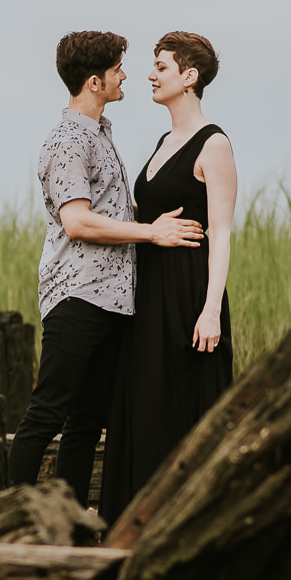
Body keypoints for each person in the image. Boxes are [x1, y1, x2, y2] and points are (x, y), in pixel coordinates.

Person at [8, 30, 205, 509]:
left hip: (113, 301)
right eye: (118, 68)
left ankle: (73, 528)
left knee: (87, 421)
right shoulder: (69, 139)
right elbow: (77, 221)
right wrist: (152, 232)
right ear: (95, 81)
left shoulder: (101, 133)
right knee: (48, 412)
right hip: (77, 295)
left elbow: (114, 210)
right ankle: (1, 518)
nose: (125, 75)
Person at [100, 31, 236, 521]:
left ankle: (187, 524)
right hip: (148, 291)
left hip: (187, 292)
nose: (151, 75)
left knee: (182, 403)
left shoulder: (214, 143)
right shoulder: (163, 141)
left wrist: (210, 312)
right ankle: (135, 525)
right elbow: (150, 217)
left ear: (189, 77)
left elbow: (220, 234)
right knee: (146, 403)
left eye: (161, 66)